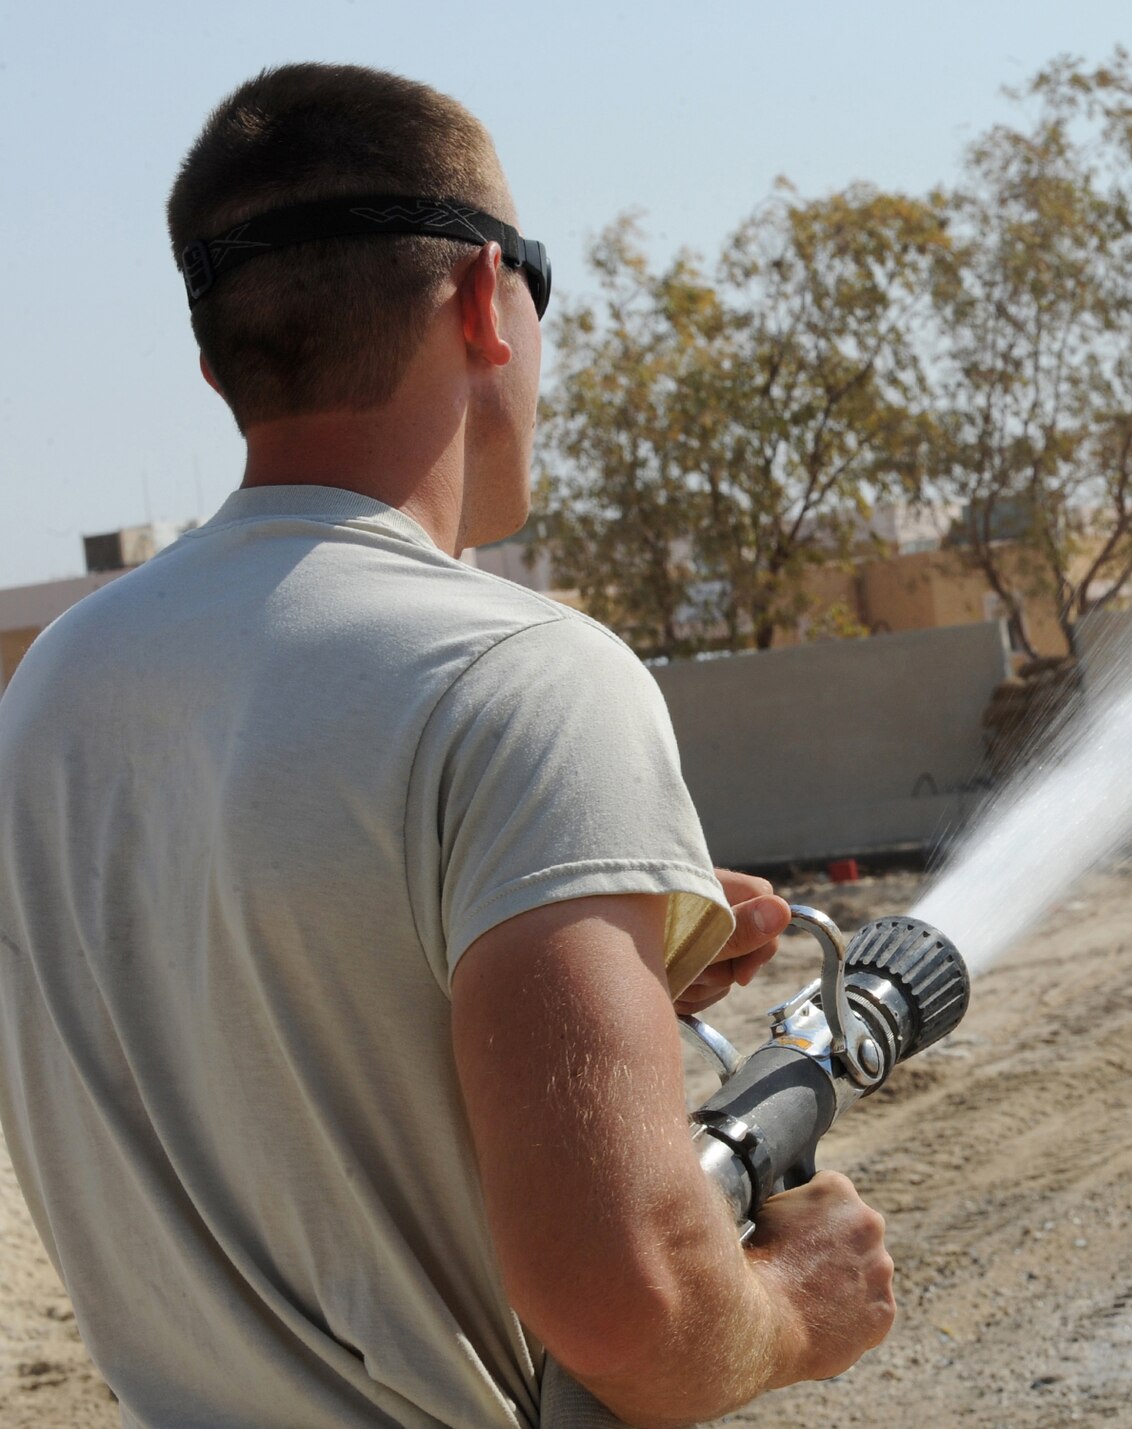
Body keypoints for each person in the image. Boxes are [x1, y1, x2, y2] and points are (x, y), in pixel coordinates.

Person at [0, 63, 894, 1427]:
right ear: (487, 300)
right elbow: (624, 1301)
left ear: (216, 355)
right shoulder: (524, 675)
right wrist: (792, 1310)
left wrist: (608, 989)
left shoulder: (55, 691)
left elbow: (275, 1062)